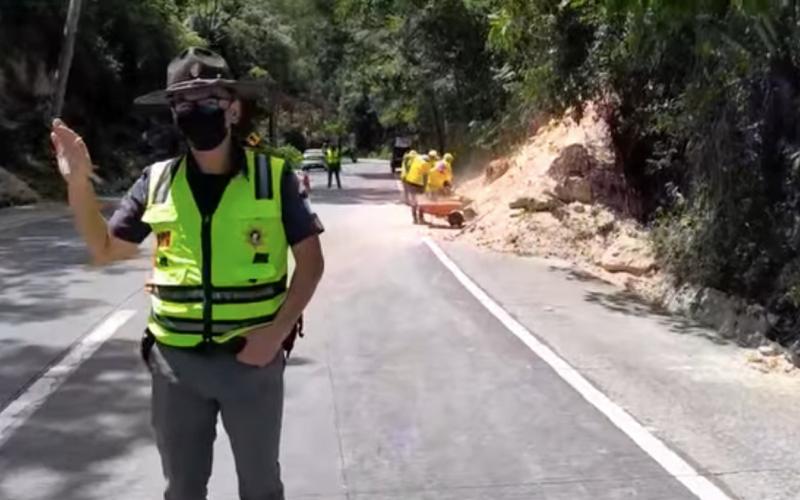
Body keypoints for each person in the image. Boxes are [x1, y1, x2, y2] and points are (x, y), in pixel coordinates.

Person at [50, 47, 325, 500]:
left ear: (233, 109)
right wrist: (77, 180)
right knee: (182, 489)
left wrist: (275, 336)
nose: (195, 111)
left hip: (251, 361)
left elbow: (311, 263)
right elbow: (103, 249)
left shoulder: (273, 178)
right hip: (176, 366)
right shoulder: (155, 181)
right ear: (172, 113)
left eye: (208, 100)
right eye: (183, 102)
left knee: (261, 487)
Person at [403, 153, 433, 224]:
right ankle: (421, 219)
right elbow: (425, 178)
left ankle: (414, 219)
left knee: (414, 201)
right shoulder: (426, 164)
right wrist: (425, 188)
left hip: (409, 181)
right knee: (421, 201)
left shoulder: (416, 159)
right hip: (418, 184)